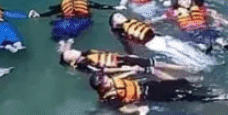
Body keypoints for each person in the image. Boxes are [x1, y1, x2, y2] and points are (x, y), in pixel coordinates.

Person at [109, 12, 216, 70]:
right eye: (117, 17)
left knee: (183, 47)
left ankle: (208, 60)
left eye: (120, 14)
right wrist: (131, 58)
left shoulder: (133, 21)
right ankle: (199, 67)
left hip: (160, 37)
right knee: (175, 53)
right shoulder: (122, 32)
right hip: (152, 43)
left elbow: (149, 26)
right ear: (114, 24)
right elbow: (127, 47)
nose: (121, 16)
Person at [89, 71, 228, 109]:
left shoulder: (111, 81)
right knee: (182, 95)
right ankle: (217, 98)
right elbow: (123, 109)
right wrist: (139, 110)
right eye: (103, 80)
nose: (107, 78)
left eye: (104, 77)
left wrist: (132, 71)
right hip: (148, 94)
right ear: (101, 87)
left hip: (147, 85)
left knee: (181, 83)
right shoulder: (110, 98)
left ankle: (208, 89)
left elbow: (121, 79)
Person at [158, 0, 228, 54]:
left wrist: (218, 20)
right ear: (178, 1)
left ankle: (223, 46)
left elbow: (212, 13)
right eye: (184, 0)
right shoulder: (173, 12)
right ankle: (205, 48)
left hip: (204, 29)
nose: (187, 1)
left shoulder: (199, 8)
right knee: (200, 43)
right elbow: (162, 19)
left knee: (219, 38)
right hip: (189, 32)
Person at [58, 45, 186, 79]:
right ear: (71, 62)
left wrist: (127, 56)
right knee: (154, 71)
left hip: (124, 59)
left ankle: (185, 68)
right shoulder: (84, 65)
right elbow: (103, 71)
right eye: (69, 54)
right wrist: (127, 69)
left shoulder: (87, 53)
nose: (72, 51)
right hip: (122, 67)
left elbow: (106, 54)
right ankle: (179, 81)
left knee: (156, 63)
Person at [35, 0, 115, 43]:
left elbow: (51, 13)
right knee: (75, 34)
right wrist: (114, 7)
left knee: (59, 30)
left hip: (67, 20)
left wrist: (39, 15)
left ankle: (63, 42)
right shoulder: (84, 1)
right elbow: (101, 6)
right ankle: (70, 40)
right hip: (83, 20)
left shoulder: (63, 4)